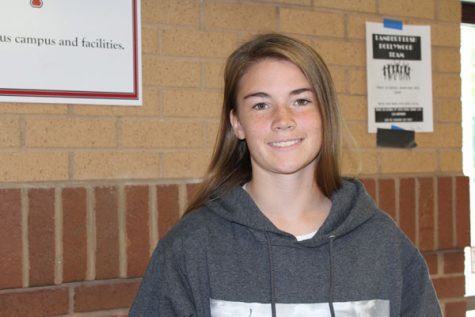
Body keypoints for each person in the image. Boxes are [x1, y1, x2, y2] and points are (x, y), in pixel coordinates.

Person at [129, 33, 441, 317]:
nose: (283, 119)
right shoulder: (192, 247)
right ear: (237, 123)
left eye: (301, 101)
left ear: (325, 114)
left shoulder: (382, 243)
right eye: (261, 105)